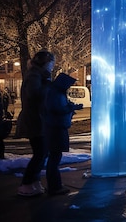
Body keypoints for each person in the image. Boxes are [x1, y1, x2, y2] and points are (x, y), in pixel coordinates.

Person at [16, 50, 55, 196]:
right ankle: (26, 184)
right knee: (40, 153)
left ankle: (34, 182)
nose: (52, 66)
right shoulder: (35, 75)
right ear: (45, 62)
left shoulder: (37, 74)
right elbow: (34, 95)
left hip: (37, 119)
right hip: (35, 120)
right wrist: (48, 86)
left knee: (42, 153)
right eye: (51, 62)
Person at [43, 73, 83, 195]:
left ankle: (54, 185)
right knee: (55, 157)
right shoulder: (56, 93)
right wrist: (71, 108)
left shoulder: (54, 92)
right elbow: (57, 109)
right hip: (56, 127)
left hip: (56, 127)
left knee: (55, 157)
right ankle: (54, 187)